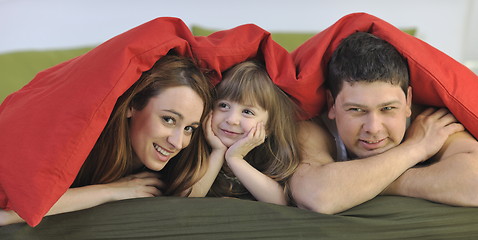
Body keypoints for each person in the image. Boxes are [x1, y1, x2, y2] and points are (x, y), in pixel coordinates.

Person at [0, 54, 213, 225]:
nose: (178, 142)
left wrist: (222, 150)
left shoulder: (176, 162)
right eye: (168, 119)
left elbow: (192, 203)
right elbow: (14, 211)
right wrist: (112, 190)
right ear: (133, 105)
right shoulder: (81, 139)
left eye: (189, 129)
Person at [290, 32, 478, 214]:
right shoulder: (312, 127)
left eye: (387, 109)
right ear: (332, 104)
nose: (373, 128)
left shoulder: (429, 124)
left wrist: (359, 184)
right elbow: (316, 194)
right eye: (356, 110)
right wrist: (414, 149)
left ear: (408, 101)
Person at [189, 60, 301, 205]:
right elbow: (189, 200)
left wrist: (235, 159)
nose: (232, 120)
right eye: (223, 105)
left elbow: (280, 202)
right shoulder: (195, 148)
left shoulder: (271, 157)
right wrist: (218, 152)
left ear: (268, 128)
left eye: (247, 112)